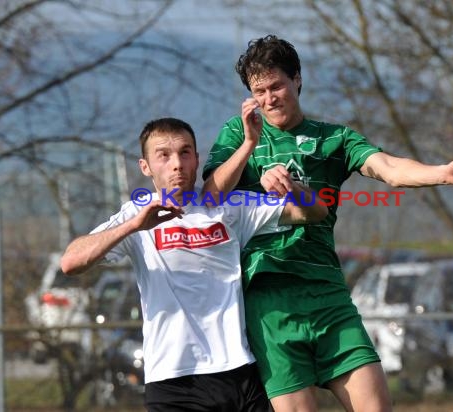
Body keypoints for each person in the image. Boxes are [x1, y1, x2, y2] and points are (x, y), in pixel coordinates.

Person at [202, 35, 453, 412]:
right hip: (269, 298)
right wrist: (248, 147)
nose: (268, 98)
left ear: (297, 78)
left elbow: (388, 168)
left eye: (276, 85)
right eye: (258, 91)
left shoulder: (334, 139)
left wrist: (441, 172)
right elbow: (210, 194)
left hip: (328, 294)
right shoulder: (239, 133)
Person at [60, 117, 328, 412]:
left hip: (239, 372)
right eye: (163, 154)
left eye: (185, 152)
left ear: (197, 159)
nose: (177, 163)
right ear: (145, 166)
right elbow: (71, 262)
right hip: (173, 381)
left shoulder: (230, 206)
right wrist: (134, 226)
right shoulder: (137, 213)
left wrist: (291, 185)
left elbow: (314, 213)